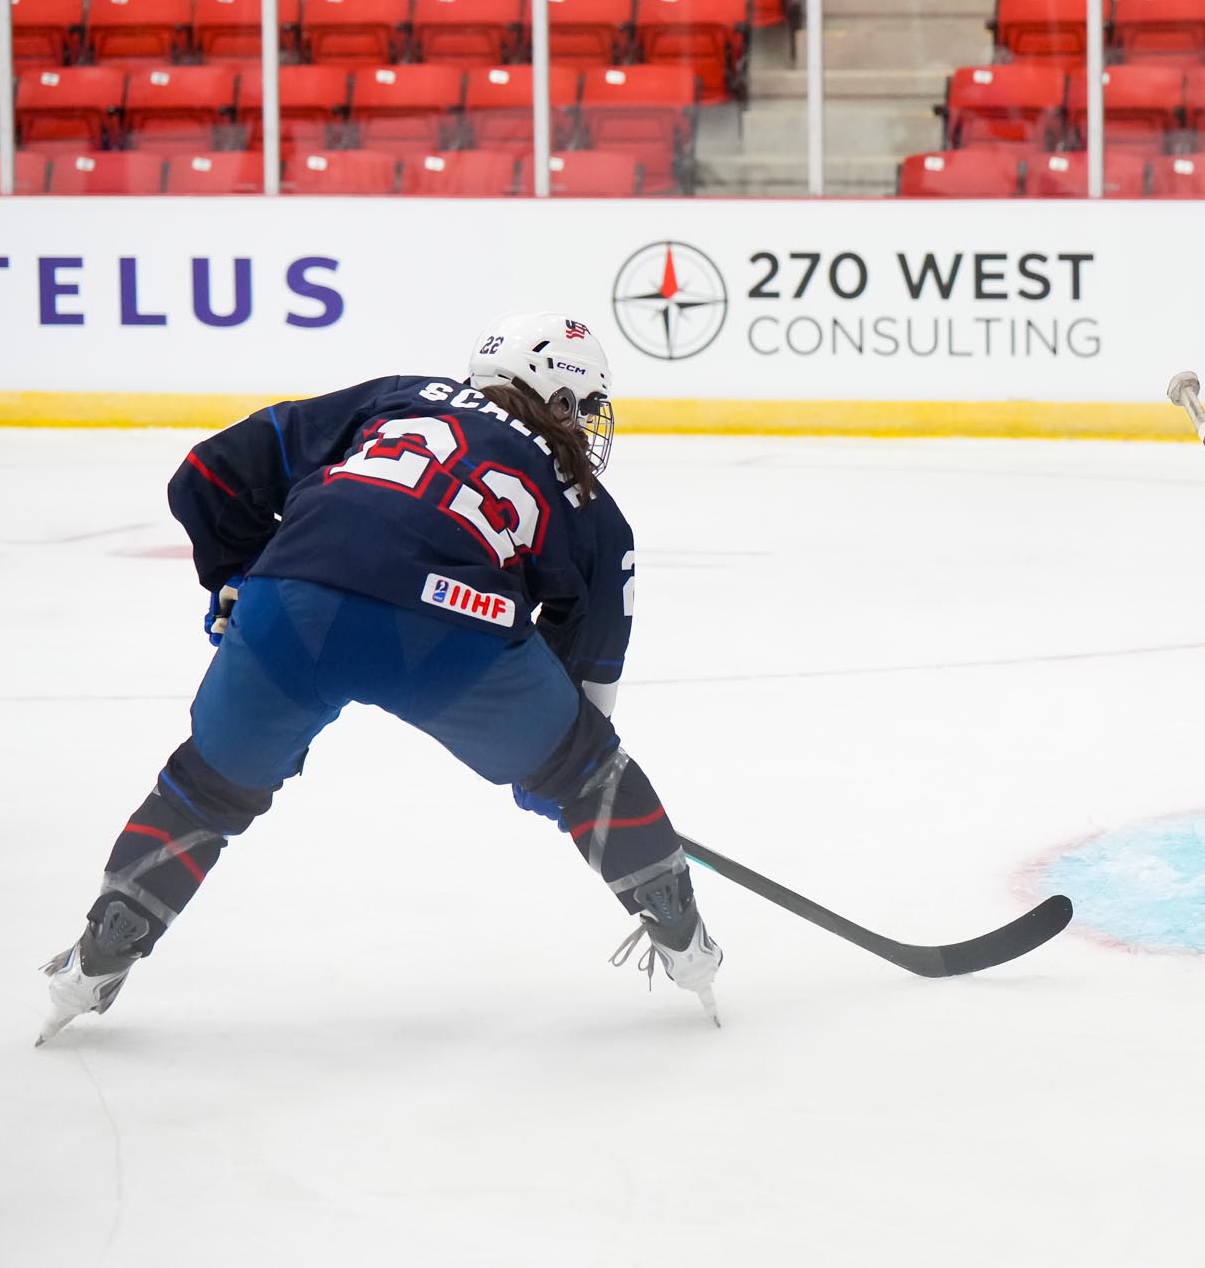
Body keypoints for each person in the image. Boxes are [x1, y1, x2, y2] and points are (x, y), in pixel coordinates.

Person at [37, 312, 723, 1045]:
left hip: (291, 598)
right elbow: (588, 694)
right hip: (452, 629)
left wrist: (237, 574)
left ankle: (101, 951)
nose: (586, 426)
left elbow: (206, 473)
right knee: (592, 774)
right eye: (582, 407)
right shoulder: (589, 507)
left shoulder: (398, 396)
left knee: (205, 790)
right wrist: (560, 776)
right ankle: (685, 942)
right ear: (554, 398)